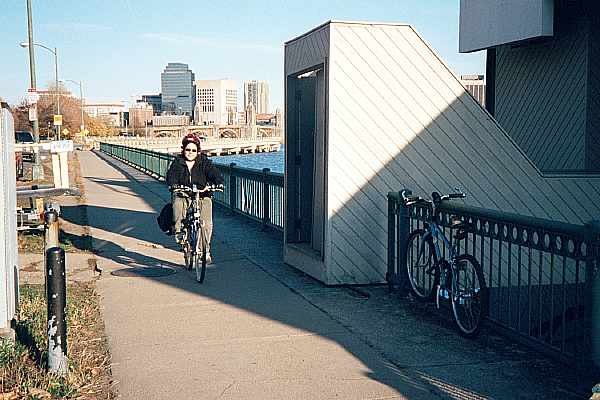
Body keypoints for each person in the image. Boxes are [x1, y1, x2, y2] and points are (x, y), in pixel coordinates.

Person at [166, 133, 223, 263]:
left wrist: (218, 182)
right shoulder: (177, 162)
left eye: (194, 150)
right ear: (183, 150)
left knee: (206, 222)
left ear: (198, 151)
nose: (190, 152)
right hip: (184, 192)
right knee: (178, 204)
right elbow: (171, 175)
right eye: (188, 149)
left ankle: (205, 250)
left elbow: (213, 173)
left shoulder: (204, 161)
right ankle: (180, 233)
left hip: (202, 194)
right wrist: (174, 184)